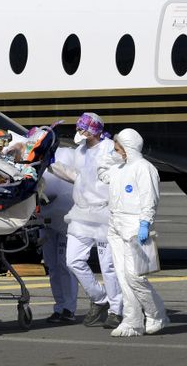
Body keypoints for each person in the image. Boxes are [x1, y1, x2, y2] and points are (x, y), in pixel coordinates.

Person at [50, 113, 123, 328]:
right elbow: (76, 176)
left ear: (95, 131)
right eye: (79, 129)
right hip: (81, 214)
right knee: (73, 260)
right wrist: (51, 165)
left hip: (104, 214)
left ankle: (116, 310)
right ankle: (100, 298)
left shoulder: (110, 148)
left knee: (108, 266)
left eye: (83, 129)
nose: (79, 133)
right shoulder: (80, 151)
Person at [98, 128, 169, 337]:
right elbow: (102, 174)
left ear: (128, 147)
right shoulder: (119, 168)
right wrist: (108, 154)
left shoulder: (144, 168)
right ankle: (132, 321)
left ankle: (157, 314)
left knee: (135, 276)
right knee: (122, 276)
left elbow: (150, 198)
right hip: (115, 223)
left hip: (135, 225)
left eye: (118, 147)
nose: (116, 150)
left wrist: (145, 223)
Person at [39, 147, 79, 324]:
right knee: (52, 266)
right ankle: (59, 306)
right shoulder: (36, 161)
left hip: (65, 220)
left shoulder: (66, 157)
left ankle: (69, 308)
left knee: (64, 264)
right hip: (46, 219)